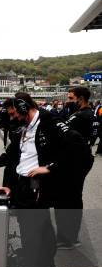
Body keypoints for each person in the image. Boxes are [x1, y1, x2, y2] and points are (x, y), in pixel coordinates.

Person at [0, 94, 87, 267]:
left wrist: (50, 168)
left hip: (39, 187)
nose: (13, 118)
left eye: (15, 113)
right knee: (41, 233)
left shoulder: (50, 122)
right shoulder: (24, 128)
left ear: (25, 107)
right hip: (23, 186)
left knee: (32, 239)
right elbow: (14, 156)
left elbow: (81, 152)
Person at [54, 87, 95, 249]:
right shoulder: (85, 114)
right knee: (72, 197)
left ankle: (68, 238)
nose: (68, 101)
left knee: (68, 198)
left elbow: (61, 133)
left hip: (76, 160)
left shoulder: (81, 116)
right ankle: (69, 236)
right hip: (80, 158)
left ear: (81, 98)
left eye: (71, 98)